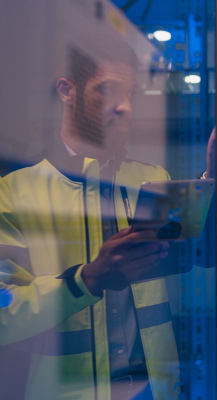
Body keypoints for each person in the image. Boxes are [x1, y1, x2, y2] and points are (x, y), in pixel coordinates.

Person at [0, 47, 180, 399]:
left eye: (132, 94)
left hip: (155, 391)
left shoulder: (154, 181)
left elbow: (198, 258)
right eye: (107, 89)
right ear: (67, 91)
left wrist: (216, 178)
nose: (125, 107)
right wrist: (85, 281)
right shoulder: (14, 193)